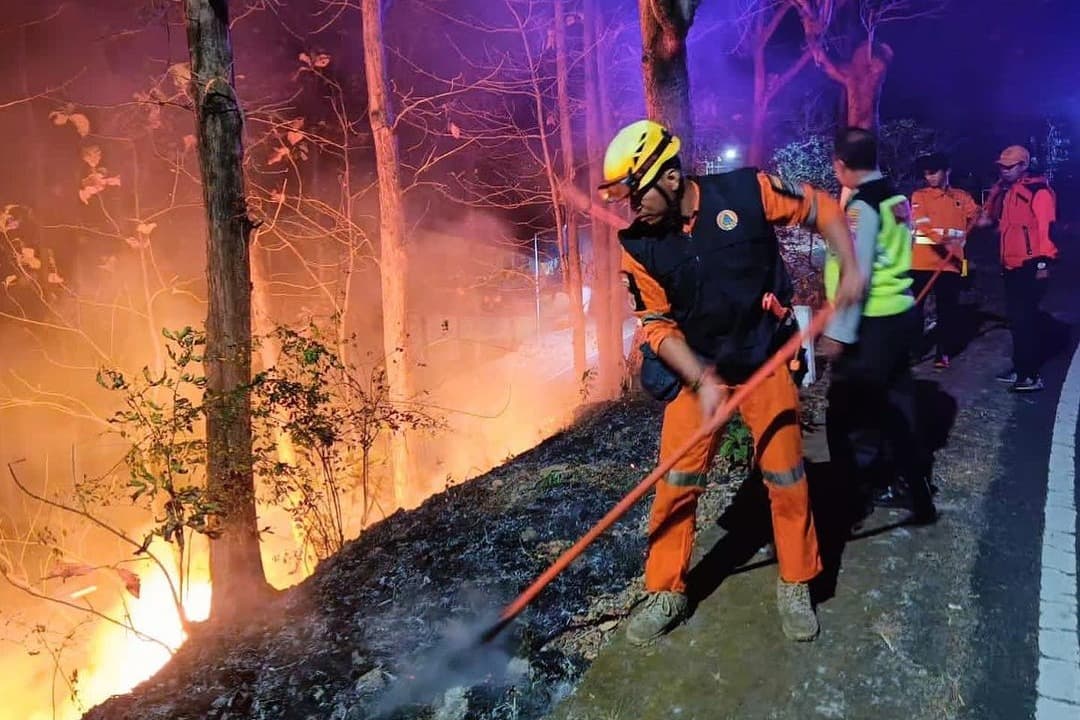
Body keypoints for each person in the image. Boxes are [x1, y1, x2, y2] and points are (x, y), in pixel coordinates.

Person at [598, 120, 863, 645]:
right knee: (675, 484)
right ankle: (667, 589)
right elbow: (655, 325)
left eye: (636, 192)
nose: (631, 207)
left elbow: (824, 210)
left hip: (766, 360)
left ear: (670, 178)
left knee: (787, 479)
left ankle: (796, 580)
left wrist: (849, 267)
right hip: (701, 375)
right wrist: (702, 379)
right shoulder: (640, 246)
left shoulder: (748, 191)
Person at [821, 127, 936, 525]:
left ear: (841, 164)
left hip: (871, 323)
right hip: (900, 314)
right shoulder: (896, 198)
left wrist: (839, 332)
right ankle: (911, 485)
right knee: (896, 404)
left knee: (845, 414)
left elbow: (858, 275)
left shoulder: (862, 208)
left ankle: (853, 496)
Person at [982, 145, 1059, 392]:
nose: (1004, 171)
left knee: (1025, 320)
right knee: (1016, 320)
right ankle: (1020, 368)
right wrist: (994, 194)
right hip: (1011, 264)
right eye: (1001, 166)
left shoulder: (1039, 191)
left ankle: (1030, 374)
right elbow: (989, 220)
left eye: (1010, 166)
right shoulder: (1009, 191)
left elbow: (1047, 230)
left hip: (1031, 264)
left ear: (1024, 165)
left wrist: (1043, 263)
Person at [910, 152, 981, 368]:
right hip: (921, 263)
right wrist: (942, 239)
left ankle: (943, 353)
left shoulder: (962, 197)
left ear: (947, 172)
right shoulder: (919, 196)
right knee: (915, 310)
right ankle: (914, 350)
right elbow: (922, 224)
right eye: (926, 174)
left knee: (947, 311)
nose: (929, 177)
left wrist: (984, 215)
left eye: (934, 173)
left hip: (951, 264)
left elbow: (979, 217)